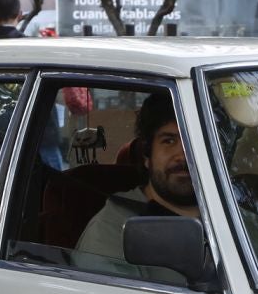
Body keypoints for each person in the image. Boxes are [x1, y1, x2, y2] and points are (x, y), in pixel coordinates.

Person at [73, 93, 198, 264]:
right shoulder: (114, 229)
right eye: (169, 141)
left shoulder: (237, 216)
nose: (182, 155)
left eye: (194, 142)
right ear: (147, 155)